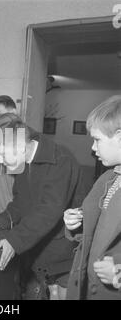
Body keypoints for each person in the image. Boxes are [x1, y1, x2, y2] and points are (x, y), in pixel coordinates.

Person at [0, 113, 84, 299]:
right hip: (42, 249)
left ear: (20, 146)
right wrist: (0, 221)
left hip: (65, 251)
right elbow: (20, 202)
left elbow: (48, 211)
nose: (0, 161)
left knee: (62, 294)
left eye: (2, 155)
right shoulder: (24, 162)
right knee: (50, 293)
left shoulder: (61, 160)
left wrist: (14, 240)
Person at [64, 95, 121, 300]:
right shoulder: (108, 178)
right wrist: (76, 225)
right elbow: (99, 230)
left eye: (97, 139)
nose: (93, 148)